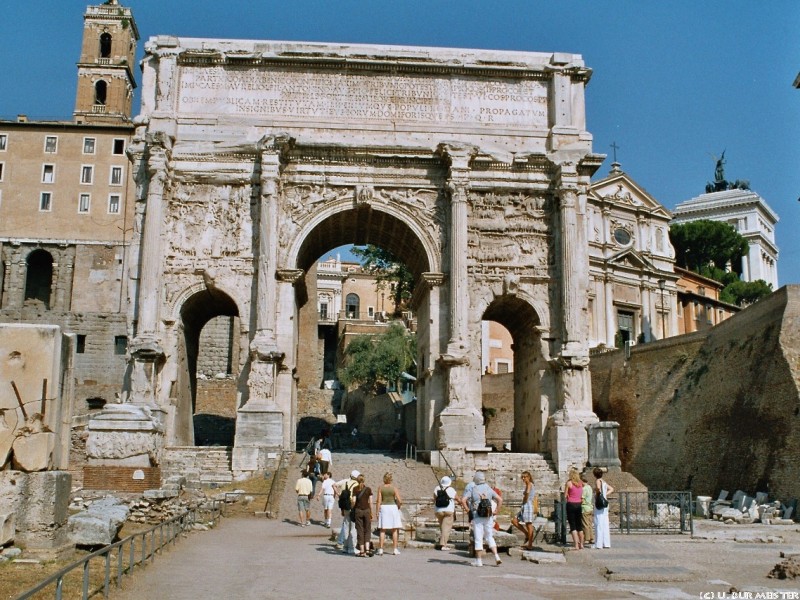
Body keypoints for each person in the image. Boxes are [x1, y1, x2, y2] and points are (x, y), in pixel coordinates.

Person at [460, 471, 503, 567]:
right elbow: (500, 500)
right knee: (489, 536)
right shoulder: (488, 488)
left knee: (478, 538)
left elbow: (463, 500)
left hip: (477, 516)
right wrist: (496, 511)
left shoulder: (473, 488)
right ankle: (496, 556)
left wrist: (468, 510)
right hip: (488, 516)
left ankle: (478, 561)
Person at [374, 472, 403, 556]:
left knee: (383, 529)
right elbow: (400, 500)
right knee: (394, 529)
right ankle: (395, 549)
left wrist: (377, 511)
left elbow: (378, 501)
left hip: (384, 507)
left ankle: (381, 549)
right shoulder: (394, 488)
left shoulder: (380, 488)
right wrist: (398, 506)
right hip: (393, 507)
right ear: (391, 479)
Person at [335, 470, 360, 554]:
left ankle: (345, 547)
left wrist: (337, 494)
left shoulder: (345, 483)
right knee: (353, 528)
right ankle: (351, 547)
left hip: (345, 507)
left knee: (346, 526)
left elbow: (335, 486)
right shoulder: (356, 484)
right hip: (352, 507)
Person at [511, 471, 536, 549]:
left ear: (528, 477)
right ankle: (527, 535)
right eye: (522, 477)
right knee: (514, 520)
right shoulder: (528, 485)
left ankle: (530, 544)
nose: (523, 478)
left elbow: (528, 494)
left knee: (528, 524)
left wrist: (525, 500)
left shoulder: (529, 484)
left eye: (524, 477)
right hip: (525, 505)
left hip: (527, 505)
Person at [433, 476, 458, 550]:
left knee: (442, 527)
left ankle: (441, 541)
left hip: (438, 510)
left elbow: (434, 498)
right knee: (446, 528)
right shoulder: (451, 489)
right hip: (449, 510)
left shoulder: (437, 488)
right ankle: (443, 545)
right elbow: (457, 498)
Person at [352, 474, 374, 557]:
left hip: (358, 511)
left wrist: (352, 507)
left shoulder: (355, 489)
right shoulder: (368, 489)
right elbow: (371, 502)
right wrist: (371, 512)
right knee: (367, 530)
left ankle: (362, 551)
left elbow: (353, 501)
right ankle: (367, 549)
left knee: (360, 530)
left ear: (357, 480)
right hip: (367, 510)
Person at [593, 467, 614, 549]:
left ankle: (598, 544)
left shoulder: (598, 481)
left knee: (599, 523)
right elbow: (612, 489)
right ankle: (606, 543)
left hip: (599, 504)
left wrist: (597, 493)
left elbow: (598, 488)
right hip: (605, 503)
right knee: (605, 523)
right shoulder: (604, 481)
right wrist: (605, 495)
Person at [564, 468, 585, 550]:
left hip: (571, 504)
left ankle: (576, 544)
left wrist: (568, 495)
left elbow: (565, 495)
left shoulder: (569, 483)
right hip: (579, 504)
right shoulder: (581, 483)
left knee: (573, 526)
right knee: (579, 525)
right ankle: (582, 544)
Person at [580, 474, 595, 548]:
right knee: (589, 524)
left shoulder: (584, 489)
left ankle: (587, 538)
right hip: (590, 507)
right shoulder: (589, 487)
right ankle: (591, 538)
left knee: (585, 524)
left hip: (585, 507)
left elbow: (582, 499)